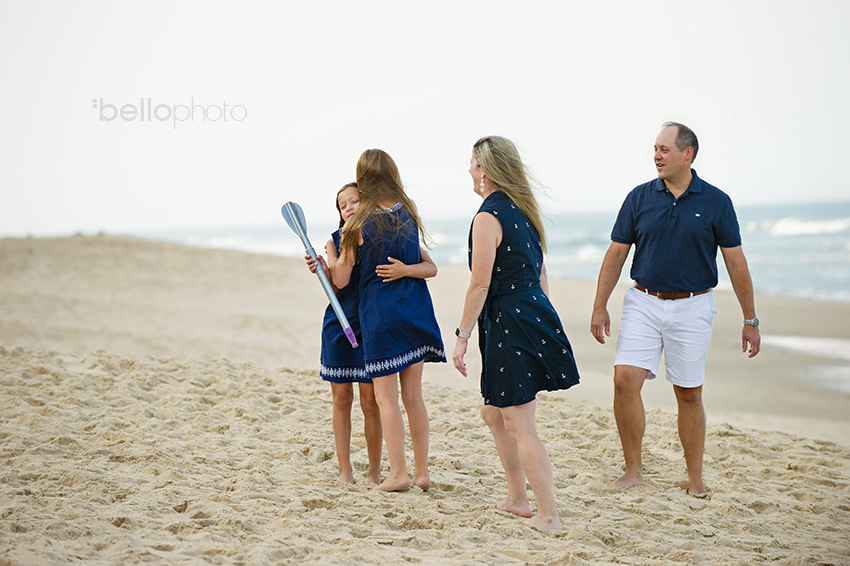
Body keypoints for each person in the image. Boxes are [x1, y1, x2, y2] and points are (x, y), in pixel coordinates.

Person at [590, 122, 761, 497]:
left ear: (688, 154)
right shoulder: (638, 197)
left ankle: (695, 479)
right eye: (654, 149)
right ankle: (633, 470)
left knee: (688, 393)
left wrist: (750, 320)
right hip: (642, 302)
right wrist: (600, 305)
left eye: (664, 149)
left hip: (693, 306)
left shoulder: (716, 202)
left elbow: (735, 264)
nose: (656, 156)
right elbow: (616, 253)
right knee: (624, 381)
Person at [452, 136, 580, 531]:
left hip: (509, 320)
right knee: (493, 413)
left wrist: (461, 336)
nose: (468, 170)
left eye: (472, 164)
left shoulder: (487, 217)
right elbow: (540, 273)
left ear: (485, 171)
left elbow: (479, 284)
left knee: (521, 424)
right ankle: (517, 498)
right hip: (529, 313)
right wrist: (542, 316)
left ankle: (548, 515)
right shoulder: (523, 210)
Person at [307, 182, 439, 486]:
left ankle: (375, 472)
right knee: (341, 397)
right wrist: (321, 270)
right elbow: (338, 285)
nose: (350, 207)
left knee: (371, 402)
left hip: (372, 324)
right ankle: (345, 470)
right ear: (339, 212)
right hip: (341, 323)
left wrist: (405, 269)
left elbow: (424, 264)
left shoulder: (379, 232)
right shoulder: (335, 241)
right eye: (343, 205)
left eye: (355, 201)